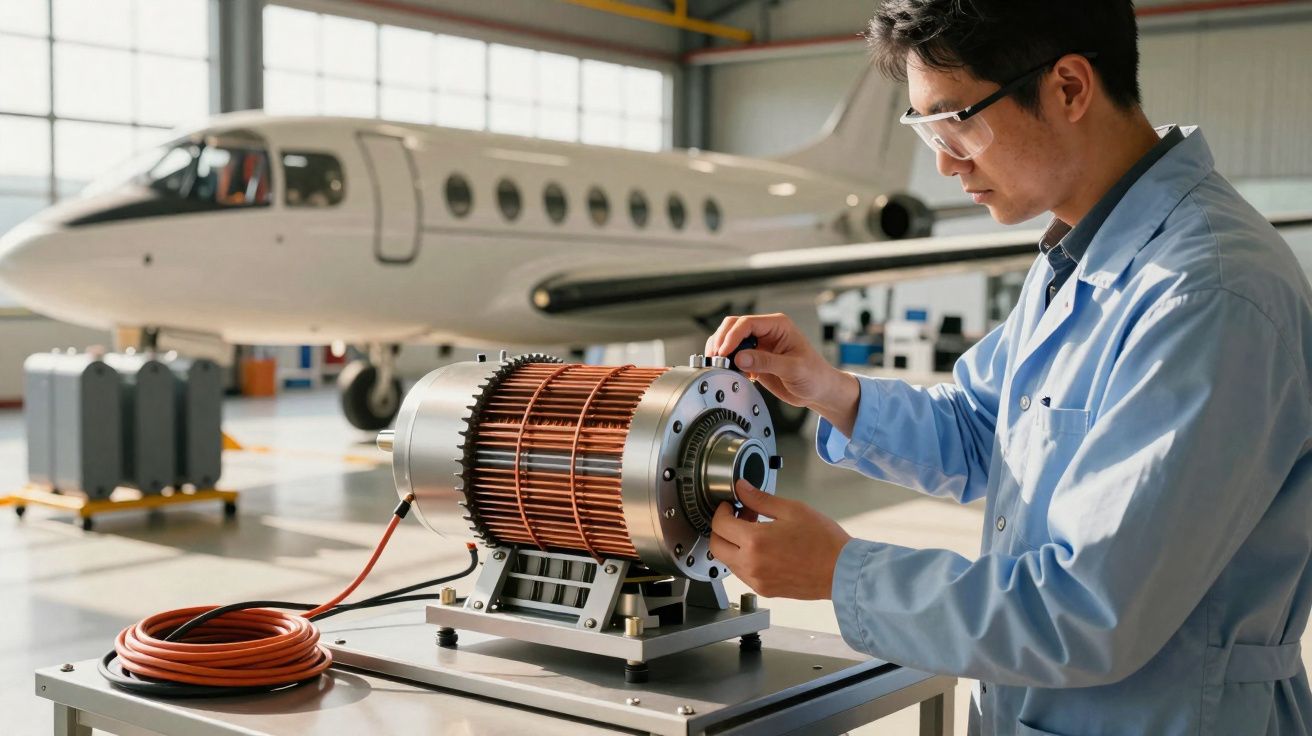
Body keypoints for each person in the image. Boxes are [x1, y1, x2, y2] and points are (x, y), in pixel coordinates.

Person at [704, 1, 1312, 734]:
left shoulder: (1207, 293)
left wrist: (842, 573)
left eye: (957, 119)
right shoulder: (1075, 260)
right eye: (926, 127)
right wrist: (829, 392)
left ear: (1069, 88)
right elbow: (981, 430)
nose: (944, 161)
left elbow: (1091, 611)